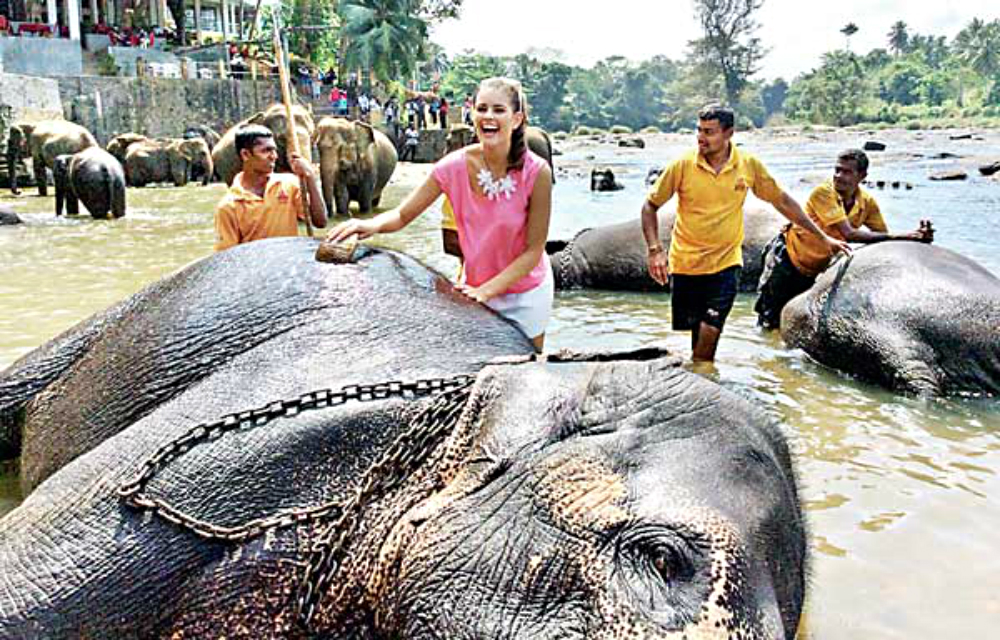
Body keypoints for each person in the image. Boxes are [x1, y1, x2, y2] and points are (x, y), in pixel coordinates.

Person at [326, 77, 554, 352]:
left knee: (526, 367)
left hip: (525, 292)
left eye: (498, 110)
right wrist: (368, 225)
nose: (488, 117)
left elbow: (533, 252)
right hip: (475, 288)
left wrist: (486, 292)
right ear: (472, 114)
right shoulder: (452, 167)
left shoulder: (536, 172)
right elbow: (401, 215)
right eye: (481, 109)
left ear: (516, 119)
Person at [642, 103, 852, 362]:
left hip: (726, 264)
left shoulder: (747, 166)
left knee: (710, 333)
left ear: (729, 133)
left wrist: (822, 236)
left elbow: (782, 201)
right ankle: (699, 381)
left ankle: (704, 383)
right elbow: (650, 206)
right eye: (699, 130)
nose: (700, 138)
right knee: (698, 335)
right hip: (686, 263)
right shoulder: (683, 165)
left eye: (709, 132)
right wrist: (655, 251)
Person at [754, 149, 935, 329]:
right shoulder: (824, 193)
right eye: (837, 170)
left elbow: (882, 237)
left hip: (816, 268)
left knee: (796, 324)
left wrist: (916, 239)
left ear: (862, 176)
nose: (839, 176)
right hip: (788, 260)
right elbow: (849, 233)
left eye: (847, 172)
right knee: (769, 322)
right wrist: (905, 235)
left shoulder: (866, 202)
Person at [214, 125, 327, 251]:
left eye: (274, 150)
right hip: (254, 267)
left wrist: (310, 177)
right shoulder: (230, 206)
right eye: (266, 151)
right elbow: (227, 257)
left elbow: (320, 222)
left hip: (287, 264)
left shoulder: (288, 184)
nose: (274, 156)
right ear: (245, 154)